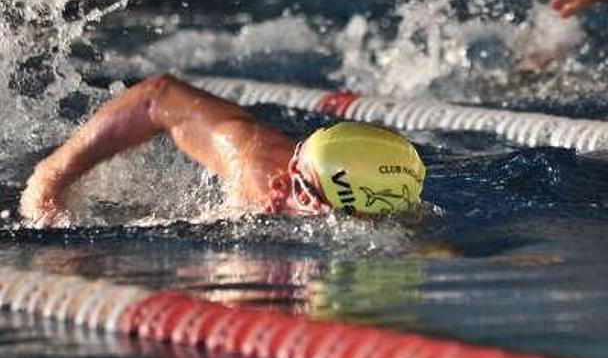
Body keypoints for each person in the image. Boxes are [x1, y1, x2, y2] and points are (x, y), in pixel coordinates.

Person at [19, 75, 426, 226]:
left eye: (304, 190)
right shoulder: (256, 161)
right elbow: (157, 96)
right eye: (294, 167)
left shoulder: (393, 231)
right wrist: (51, 176)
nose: (283, 181)